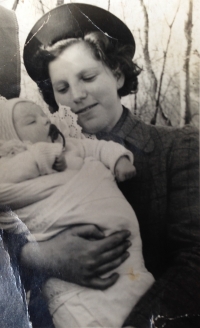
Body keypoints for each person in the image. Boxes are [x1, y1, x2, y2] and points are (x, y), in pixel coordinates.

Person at [22, 3, 199, 328]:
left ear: (117, 75)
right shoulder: (40, 162)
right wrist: (38, 255)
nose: (76, 95)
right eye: (62, 88)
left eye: (87, 77)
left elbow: (195, 260)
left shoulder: (178, 148)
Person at [0, 97, 154, 327]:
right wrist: (42, 154)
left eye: (44, 115)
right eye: (32, 121)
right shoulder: (11, 162)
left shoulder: (70, 144)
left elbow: (96, 147)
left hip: (125, 258)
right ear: (10, 137)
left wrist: (119, 160)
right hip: (69, 281)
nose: (45, 121)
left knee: (136, 298)